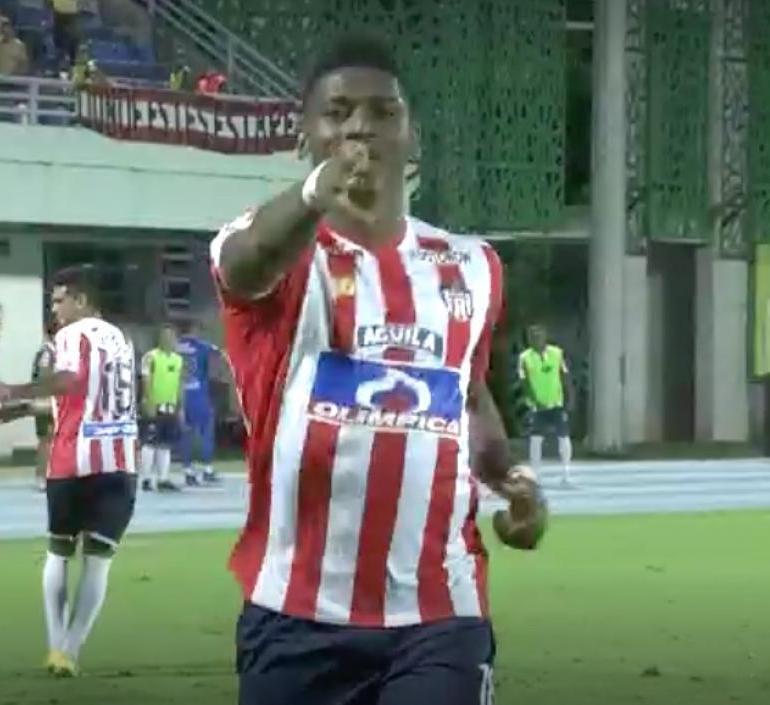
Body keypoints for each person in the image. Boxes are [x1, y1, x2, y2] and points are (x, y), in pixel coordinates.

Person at [210, 33, 545, 705]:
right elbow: (246, 262)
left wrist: (508, 477)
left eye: (382, 112)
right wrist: (311, 197)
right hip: (296, 611)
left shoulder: (473, 265)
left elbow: (467, 390)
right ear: (305, 134)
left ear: (412, 135)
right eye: (337, 113)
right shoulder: (274, 251)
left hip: (439, 612)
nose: (360, 125)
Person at [0, 265, 139, 678]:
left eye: (60, 300)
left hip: (72, 459)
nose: (55, 309)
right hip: (120, 461)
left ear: (81, 301)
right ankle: (70, 651)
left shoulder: (69, 336)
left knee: (59, 551)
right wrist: (24, 409)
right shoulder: (122, 339)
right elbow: (89, 395)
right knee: (98, 561)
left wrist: (17, 391)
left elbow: (69, 382)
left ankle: (55, 642)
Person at [517, 324, 575, 488]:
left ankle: (566, 473)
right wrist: (535, 401)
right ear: (528, 339)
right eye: (532, 336)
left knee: (563, 437)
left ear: (545, 337)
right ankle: (535, 475)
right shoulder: (524, 358)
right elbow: (524, 382)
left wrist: (570, 398)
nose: (536, 339)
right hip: (537, 406)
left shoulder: (557, 353)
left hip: (557, 402)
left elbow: (565, 376)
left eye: (539, 335)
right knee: (536, 439)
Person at [176, 320, 223, 486]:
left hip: (179, 395)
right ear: (194, 329)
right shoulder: (203, 346)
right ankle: (207, 469)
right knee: (205, 432)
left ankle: (187, 470)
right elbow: (217, 356)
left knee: (185, 434)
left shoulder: (174, 347)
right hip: (199, 394)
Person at [138, 325, 184, 492]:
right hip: (154, 405)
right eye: (166, 336)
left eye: (172, 337)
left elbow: (179, 382)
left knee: (165, 444)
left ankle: (163, 479)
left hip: (170, 406)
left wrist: (179, 404)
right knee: (150, 442)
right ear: (160, 339)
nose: (170, 340)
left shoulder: (178, 359)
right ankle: (146, 479)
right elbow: (146, 380)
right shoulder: (150, 357)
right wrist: (148, 401)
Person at [31, 319, 57, 491]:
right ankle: (42, 475)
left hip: (48, 400)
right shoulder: (48, 352)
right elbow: (44, 375)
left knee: (49, 439)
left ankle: (47, 474)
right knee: (47, 439)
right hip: (46, 401)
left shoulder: (50, 351)